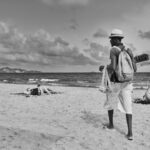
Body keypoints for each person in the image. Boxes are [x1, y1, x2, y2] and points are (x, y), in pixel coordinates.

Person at [99, 29, 137, 140]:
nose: (110, 41)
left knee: (110, 102)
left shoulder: (113, 50)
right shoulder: (128, 49)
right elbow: (134, 67)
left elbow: (114, 66)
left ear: (116, 39)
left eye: (111, 39)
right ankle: (130, 133)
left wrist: (104, 67)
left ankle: (111, 125)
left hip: (115, 82)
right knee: (128, 106)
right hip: (127, 81)